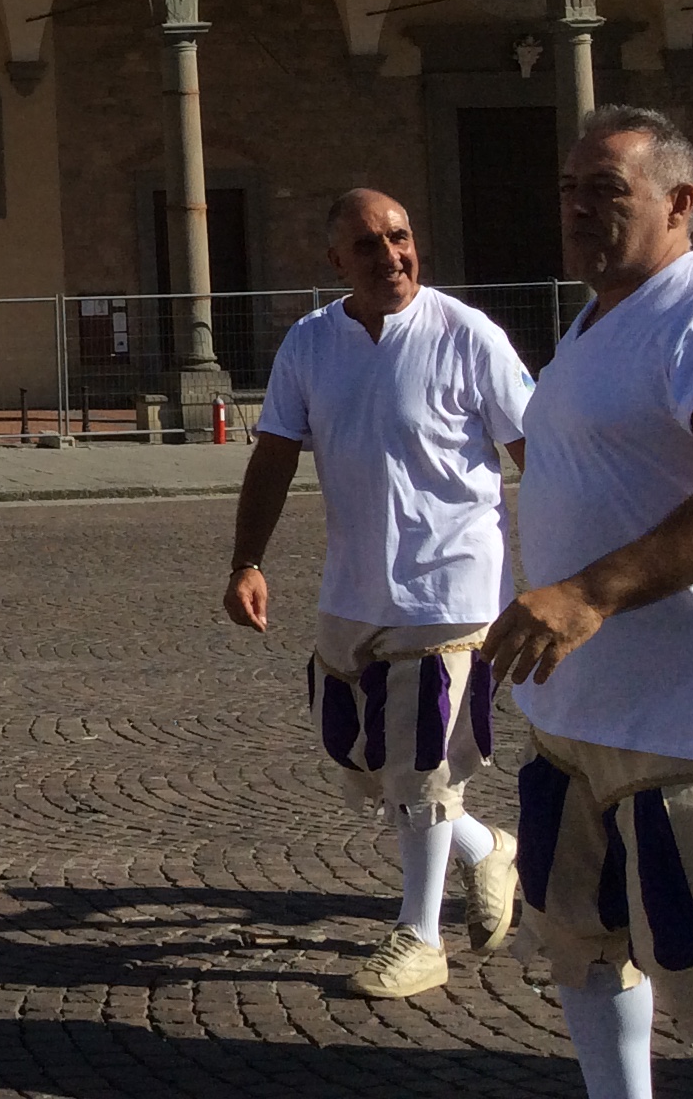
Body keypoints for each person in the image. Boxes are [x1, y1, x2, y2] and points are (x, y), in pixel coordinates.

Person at [481, 107, 693, 1097]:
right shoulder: (595, 318)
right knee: (582, 937)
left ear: (680, 202)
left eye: (607, 191)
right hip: (572, 719)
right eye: (570, 190)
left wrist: (592, 591)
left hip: (683, 719)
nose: (580, 209)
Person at [224, 188, 531, 997]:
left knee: (423, 759)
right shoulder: (310, 343)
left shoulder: (468, 336)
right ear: (337, 261)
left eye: (400, 236)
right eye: (369, 245)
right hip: (355, 586)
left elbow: (538, 452)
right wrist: (246, 560)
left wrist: (578, 573)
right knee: (362, 759)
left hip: (453, 586)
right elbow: (275, 455)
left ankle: (418, 936)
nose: (392, 255)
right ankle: (485, 849)